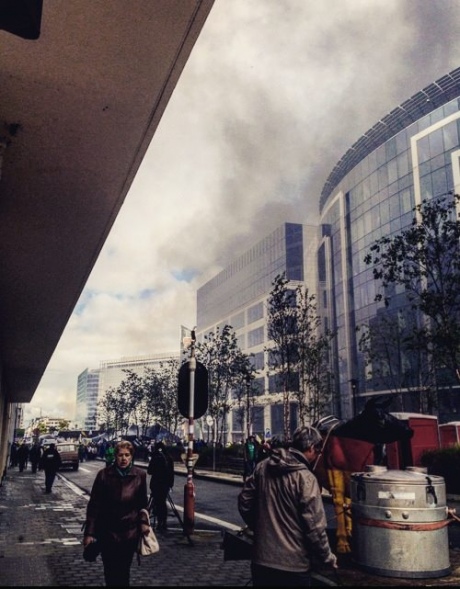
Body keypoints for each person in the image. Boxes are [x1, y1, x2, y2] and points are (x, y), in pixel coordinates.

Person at [238, 426, 338, 587]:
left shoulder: (262, 467)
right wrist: (327, 557)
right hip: (294, 566)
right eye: (317, 452)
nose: (316, 457)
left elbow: (244, 502)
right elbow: (315, 527)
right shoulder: (306, 478)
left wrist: (260, 528)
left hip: (261, 560)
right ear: (311, 448)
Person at [83, 440, 148, 587]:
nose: (124, 458)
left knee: (124, 571)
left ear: (131, 456)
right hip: (107, 532)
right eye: (120, 455)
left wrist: (143, 522)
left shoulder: (140, 475)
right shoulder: (104, 475)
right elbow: (94, 505)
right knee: (110, 571)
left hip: (129, 533)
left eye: (127, 455)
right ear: (115, 456)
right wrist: (89, 533)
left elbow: (142, 504)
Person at [147, 441, 174, 530]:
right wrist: (170, 484)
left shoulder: (155, 458)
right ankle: (164, 522)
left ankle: (159, 522)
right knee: (163, 502)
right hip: (165, 484)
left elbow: (149, 471)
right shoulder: (169, 458)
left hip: (156, 484)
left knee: (158, 503)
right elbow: (171, 473)